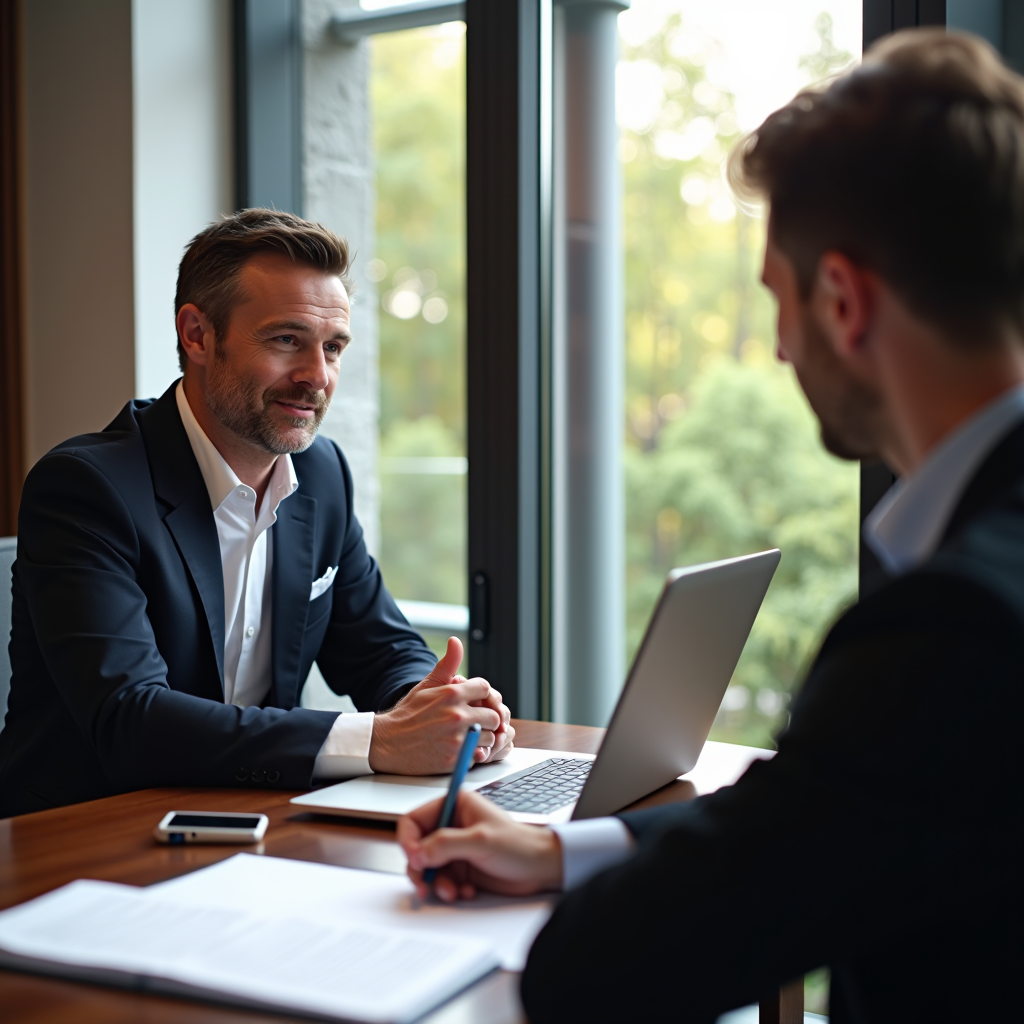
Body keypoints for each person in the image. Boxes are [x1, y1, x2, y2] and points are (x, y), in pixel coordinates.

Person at [396, 29, 1023, 1023]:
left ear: (843, 300)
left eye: (778, 299)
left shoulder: (951, 628)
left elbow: (597, 970)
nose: (778, 347)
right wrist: (557, 846)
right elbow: (821, 816)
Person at [0, 209, 513, 818]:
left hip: (254, 820)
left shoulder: (322, 476)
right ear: (197, 335)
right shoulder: (87, 488)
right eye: (286, 340)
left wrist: (440, 708)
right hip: (84, 834)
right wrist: (379, 740)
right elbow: (130, 718)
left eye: (333, 347)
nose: (317, 376)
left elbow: (378, 646)